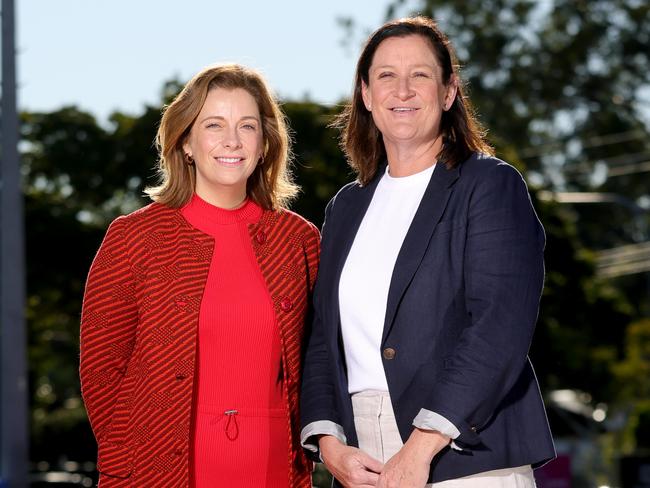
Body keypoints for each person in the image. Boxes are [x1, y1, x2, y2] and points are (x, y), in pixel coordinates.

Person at [300, 16, 555, 488]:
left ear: (448, 92)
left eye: (420, 74)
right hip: (360, 462)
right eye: (386, 76)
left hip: (465, 454)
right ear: (366, 94)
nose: (402, 90)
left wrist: (419, 447)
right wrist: (330, 445)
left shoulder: (489, 185)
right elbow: (321, 339)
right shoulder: (345, 207)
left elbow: (498, 327)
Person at [80, 63, 319, 488]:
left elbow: (318, 360)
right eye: (214, 125)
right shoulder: (133, 239)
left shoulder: (298, 240)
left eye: (247, 126)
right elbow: (101, 369)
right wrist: (129, 455)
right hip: (158, 473)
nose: (232, 140)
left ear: (265, 143)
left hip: (273, 471)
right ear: (186, 141)